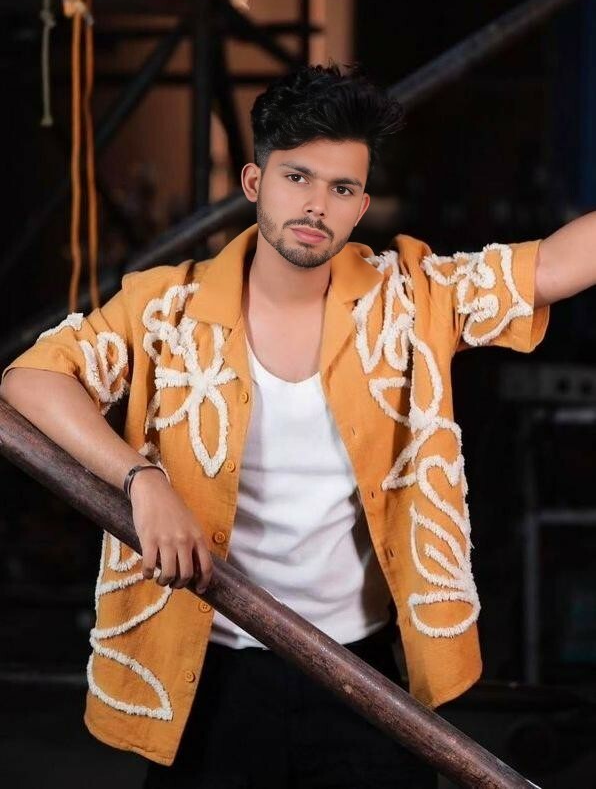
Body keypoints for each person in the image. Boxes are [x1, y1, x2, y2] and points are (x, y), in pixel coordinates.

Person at [2, 62, 594, 788]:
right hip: (211, 663)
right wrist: (142, 481)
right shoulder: (166, 309)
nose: (317, 204)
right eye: (297, 178)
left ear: (361, 205)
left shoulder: (409, 299)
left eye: (341, 188)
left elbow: (555, 265)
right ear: (255, 182)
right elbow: (30, 380)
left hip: (361, 671)